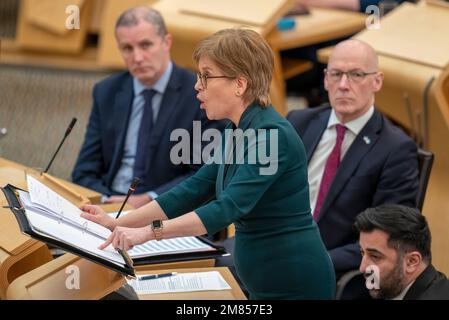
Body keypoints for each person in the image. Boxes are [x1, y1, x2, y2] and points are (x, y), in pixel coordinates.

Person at [80, 28, 336, 300]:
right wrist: (118, 222)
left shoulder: (273, 138)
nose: (197, 85)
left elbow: (225, 209)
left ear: (240, 83)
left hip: (295, 284)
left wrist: (147, 233)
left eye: (206, 76)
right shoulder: (237, 129)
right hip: (263, 281)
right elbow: (195, 189)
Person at [287, 39, 419, 277]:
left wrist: (314, 261)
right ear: (326, 79)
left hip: (330, 268)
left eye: (356, 75)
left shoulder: (396, 150)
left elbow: (386, 236)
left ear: (377, 81)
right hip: (275, 248)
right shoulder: (299, 122)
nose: (344, 85)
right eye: (336, 74)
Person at [72, 7, 224, 208]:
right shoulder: (106, 92)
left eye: (145, 45)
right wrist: (106, 202)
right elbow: (84, 171)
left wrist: (149, 199)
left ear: (166, 42)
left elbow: (204, 175)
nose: (137, 57)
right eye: (127, 48)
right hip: (109, 203)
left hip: (167, 209)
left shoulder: (200, 94)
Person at [355, 204, 449, 300]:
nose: (362, 268)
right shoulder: (392, 288)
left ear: (411, 262)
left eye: (375, 257)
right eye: (362, 253)